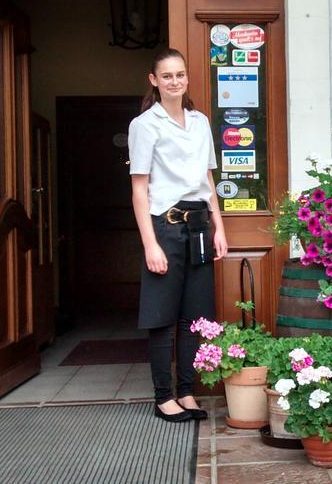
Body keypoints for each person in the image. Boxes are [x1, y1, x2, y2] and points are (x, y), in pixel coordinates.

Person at [128, 48, 228, 423]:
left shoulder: (200, 122)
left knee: (192, 315)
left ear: (187, 78)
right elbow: (139, 188)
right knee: (162, 316)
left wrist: (220, 226)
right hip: (165, 227)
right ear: (154, 81)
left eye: (180, 75)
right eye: (166, 76)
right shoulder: (144, 125)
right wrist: (150, 243)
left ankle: (187, 391)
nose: (175, 81)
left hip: (199, 225)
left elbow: (207, 178)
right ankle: (163, 396)